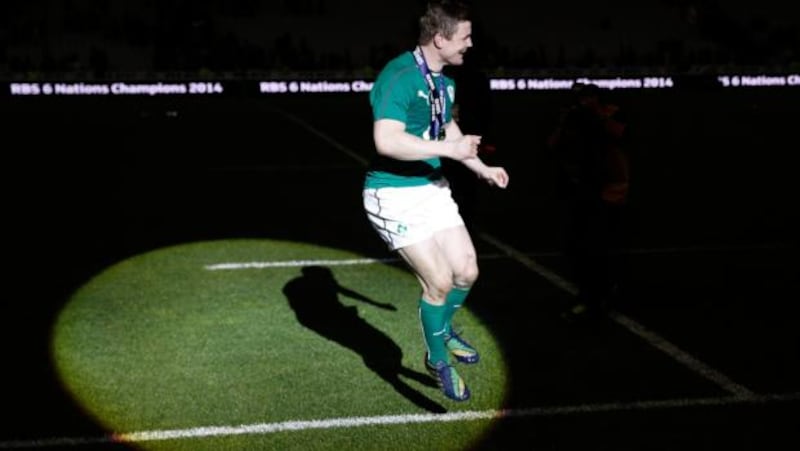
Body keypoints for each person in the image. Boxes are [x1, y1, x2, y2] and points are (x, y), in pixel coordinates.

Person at [362, 0, 509, 402]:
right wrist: (447, 148)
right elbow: (386, 140)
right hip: (393, 194)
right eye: (465, 37)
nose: (471, 44)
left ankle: (442, 330)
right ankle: (438, 358)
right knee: (439, 282)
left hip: (431, 186)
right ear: (440, 38)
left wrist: (480, 168)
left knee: (467, 271)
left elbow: (448, 128)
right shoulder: (400, 75)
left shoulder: (445, 81)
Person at [547, 82, 630, 323]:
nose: (583, 103)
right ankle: (595, 292)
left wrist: (595, 115)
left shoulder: (609, 114)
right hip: (584, 190)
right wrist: (566, 121)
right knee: (579, 247)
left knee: (598, 248)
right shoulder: (574, 119)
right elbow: (552, 146)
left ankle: (598, 295)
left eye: (587, 98)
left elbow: (619, 133)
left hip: (608, 191)